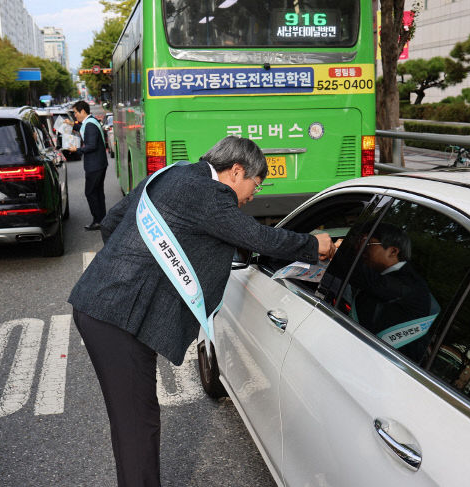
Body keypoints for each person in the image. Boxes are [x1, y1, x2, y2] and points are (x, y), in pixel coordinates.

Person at [68, 136, 335, 487]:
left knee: (135, 418)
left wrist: (131, 269)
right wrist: (314, 244)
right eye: (255, 185)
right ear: (236, 171)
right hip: (116, 317)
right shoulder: (210, 193)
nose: (253, 195)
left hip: (107, 306)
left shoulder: (171, 173)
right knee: (137, 422)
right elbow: (259, 238)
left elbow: (111, 222)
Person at [346, 222, 438, 360]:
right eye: (359, 241)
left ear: (393, 252)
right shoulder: (384, 276)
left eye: (366, 243)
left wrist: (332, 251)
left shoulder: (409, 284)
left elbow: (367, 279)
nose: (358, 248)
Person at [68, 100, 108, 231]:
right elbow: (83, 129)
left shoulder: (90, 125)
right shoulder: (90, 122)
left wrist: (77, 150)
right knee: (97, 192)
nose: (75, 115)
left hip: (95, 165)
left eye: (75, 113)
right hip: (99, 163)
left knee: (90, 192)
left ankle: (98, 220)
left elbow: (91, 145)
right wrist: (72, 125)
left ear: (83, 111)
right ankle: (102, 219)